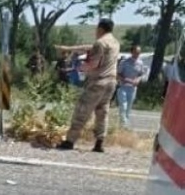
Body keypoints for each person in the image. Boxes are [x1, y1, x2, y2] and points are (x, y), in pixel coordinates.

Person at [54, 18, 120, 153]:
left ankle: (70, 141)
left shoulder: (100, 43)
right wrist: (69, 48)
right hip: (111, 82)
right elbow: (89, 47)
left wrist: (80, 68)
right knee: (102, 112)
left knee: (81, 110)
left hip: (98, 81)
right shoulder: (114, 42)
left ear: (100, 29)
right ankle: (99, 142)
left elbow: (93, 64)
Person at [116, 45, 145, 128]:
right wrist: (126, 80)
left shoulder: (140, 63)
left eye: (139, 53)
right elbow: (118, 74)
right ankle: (123, 124)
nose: (137, 54)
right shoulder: (124, 62)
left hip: (132, 89)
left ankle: (123, 126)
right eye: (136, 52)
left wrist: (138, 79)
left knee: (128, 108)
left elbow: (141, 74)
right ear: (131, 52)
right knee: (123, 106)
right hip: (123, 87)